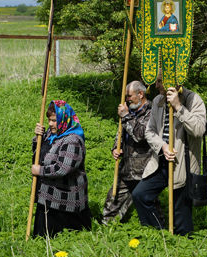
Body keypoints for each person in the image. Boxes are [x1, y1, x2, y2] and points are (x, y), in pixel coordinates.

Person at [131, 81, 206, 235]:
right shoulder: (158, 100)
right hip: (160, 161)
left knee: (181, 217)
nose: (156, 85)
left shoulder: (192, 99)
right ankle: (158, 235)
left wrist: (178, 106)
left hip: (182, 164)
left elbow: (198, 130)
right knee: (140, 195)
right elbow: (150, 131)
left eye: (160, 81)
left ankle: (183, 246)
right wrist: (162, 146)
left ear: (170, 80)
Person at [30, 100, 92, 238]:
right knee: (43, 239)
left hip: (66, 202)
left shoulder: (73, 140)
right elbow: (39, 157)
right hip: (47, 198)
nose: (50, 124)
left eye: (54, 120)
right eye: (49, 120)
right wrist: (38, 139)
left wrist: (40, 171)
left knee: (66, 239)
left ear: (64, 119)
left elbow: (63, 168)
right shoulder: (51, 135)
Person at [102, 81, 152, 223]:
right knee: (113, 199)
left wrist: (126, 116)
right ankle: (106, 227)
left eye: (129, 96)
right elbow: (121, 132)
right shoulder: (129, 111)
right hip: (127, 166)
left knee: (148, 203)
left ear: (140, 94)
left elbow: (140, 135)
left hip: (145, 168)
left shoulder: (152, 112)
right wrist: (116, 147)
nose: (127, 99)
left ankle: (154, 228)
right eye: (126, 96)